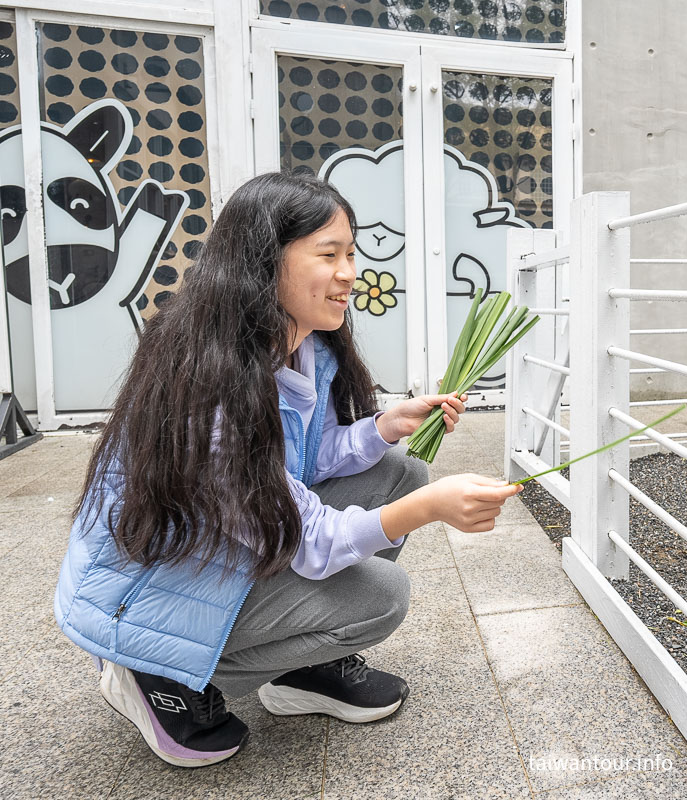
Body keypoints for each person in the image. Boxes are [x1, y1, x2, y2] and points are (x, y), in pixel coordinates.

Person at [53, 172, 522, 768]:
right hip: (147, 599)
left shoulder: (300, 346)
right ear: (263, 261)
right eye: (329, 255)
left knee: (400, 469)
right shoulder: (210, 382)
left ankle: (300, 667)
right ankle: (154, 671)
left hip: (223, 544)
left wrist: (384, 426)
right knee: (383, 595)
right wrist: (430, 510)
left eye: (351, 254)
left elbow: (300, 461)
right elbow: (312, 540)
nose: (349, 273)